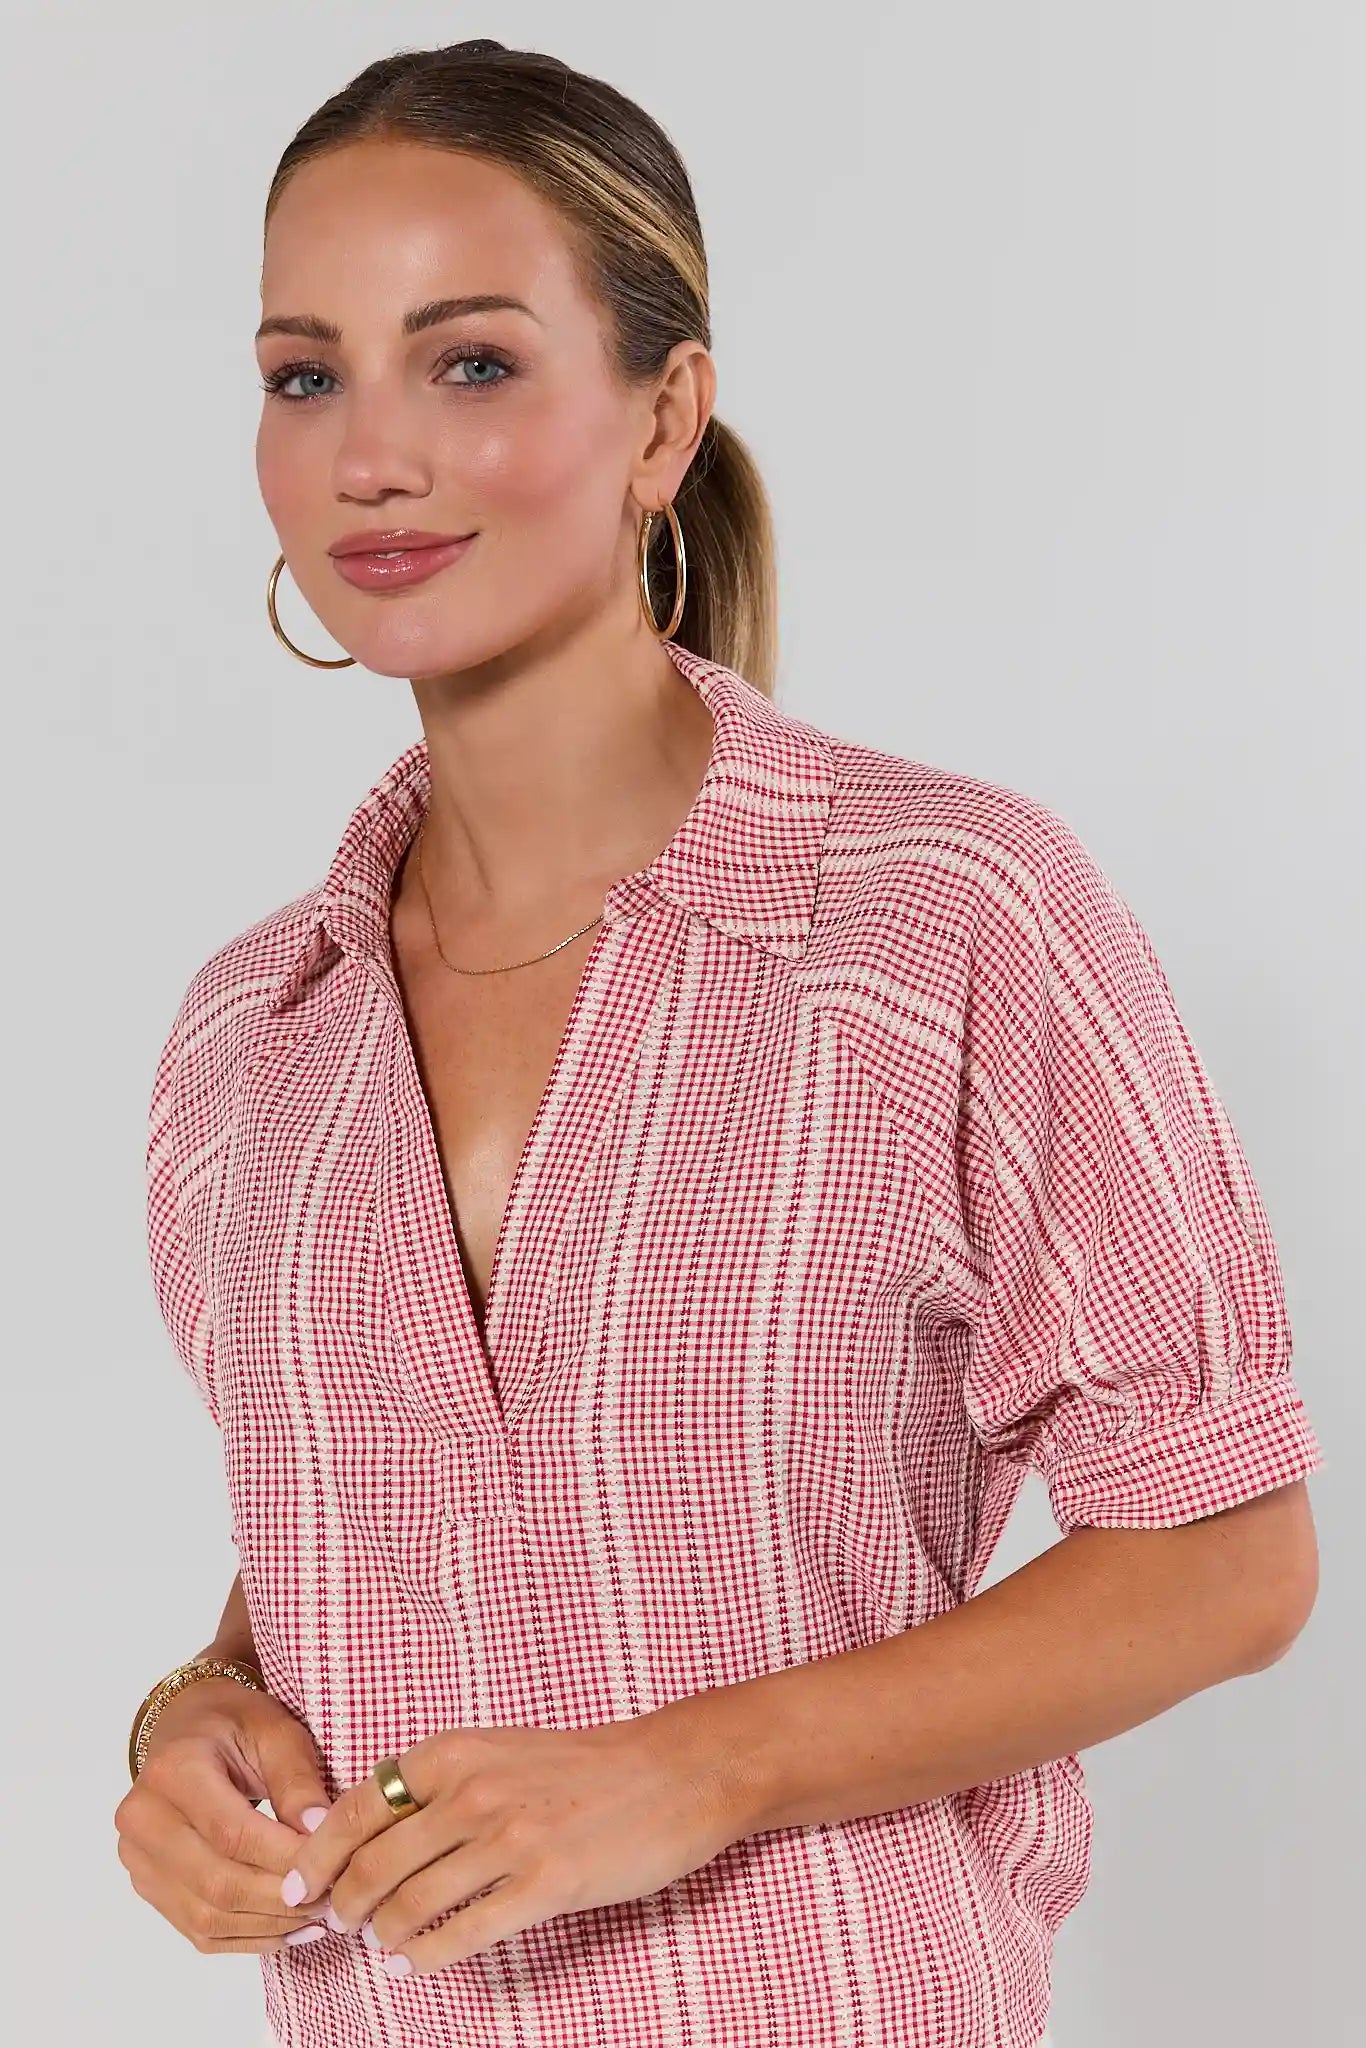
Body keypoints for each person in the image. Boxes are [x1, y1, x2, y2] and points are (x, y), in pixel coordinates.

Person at [113, 38, 1322, 2048]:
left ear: (661, 414)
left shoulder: (939, 916)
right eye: (305, 375)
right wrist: (199, 1713)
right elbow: (381, 1534)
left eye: (470, 361)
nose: (371, 457)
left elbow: (1223, 1553)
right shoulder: (254, 1038)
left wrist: (695, 1768)